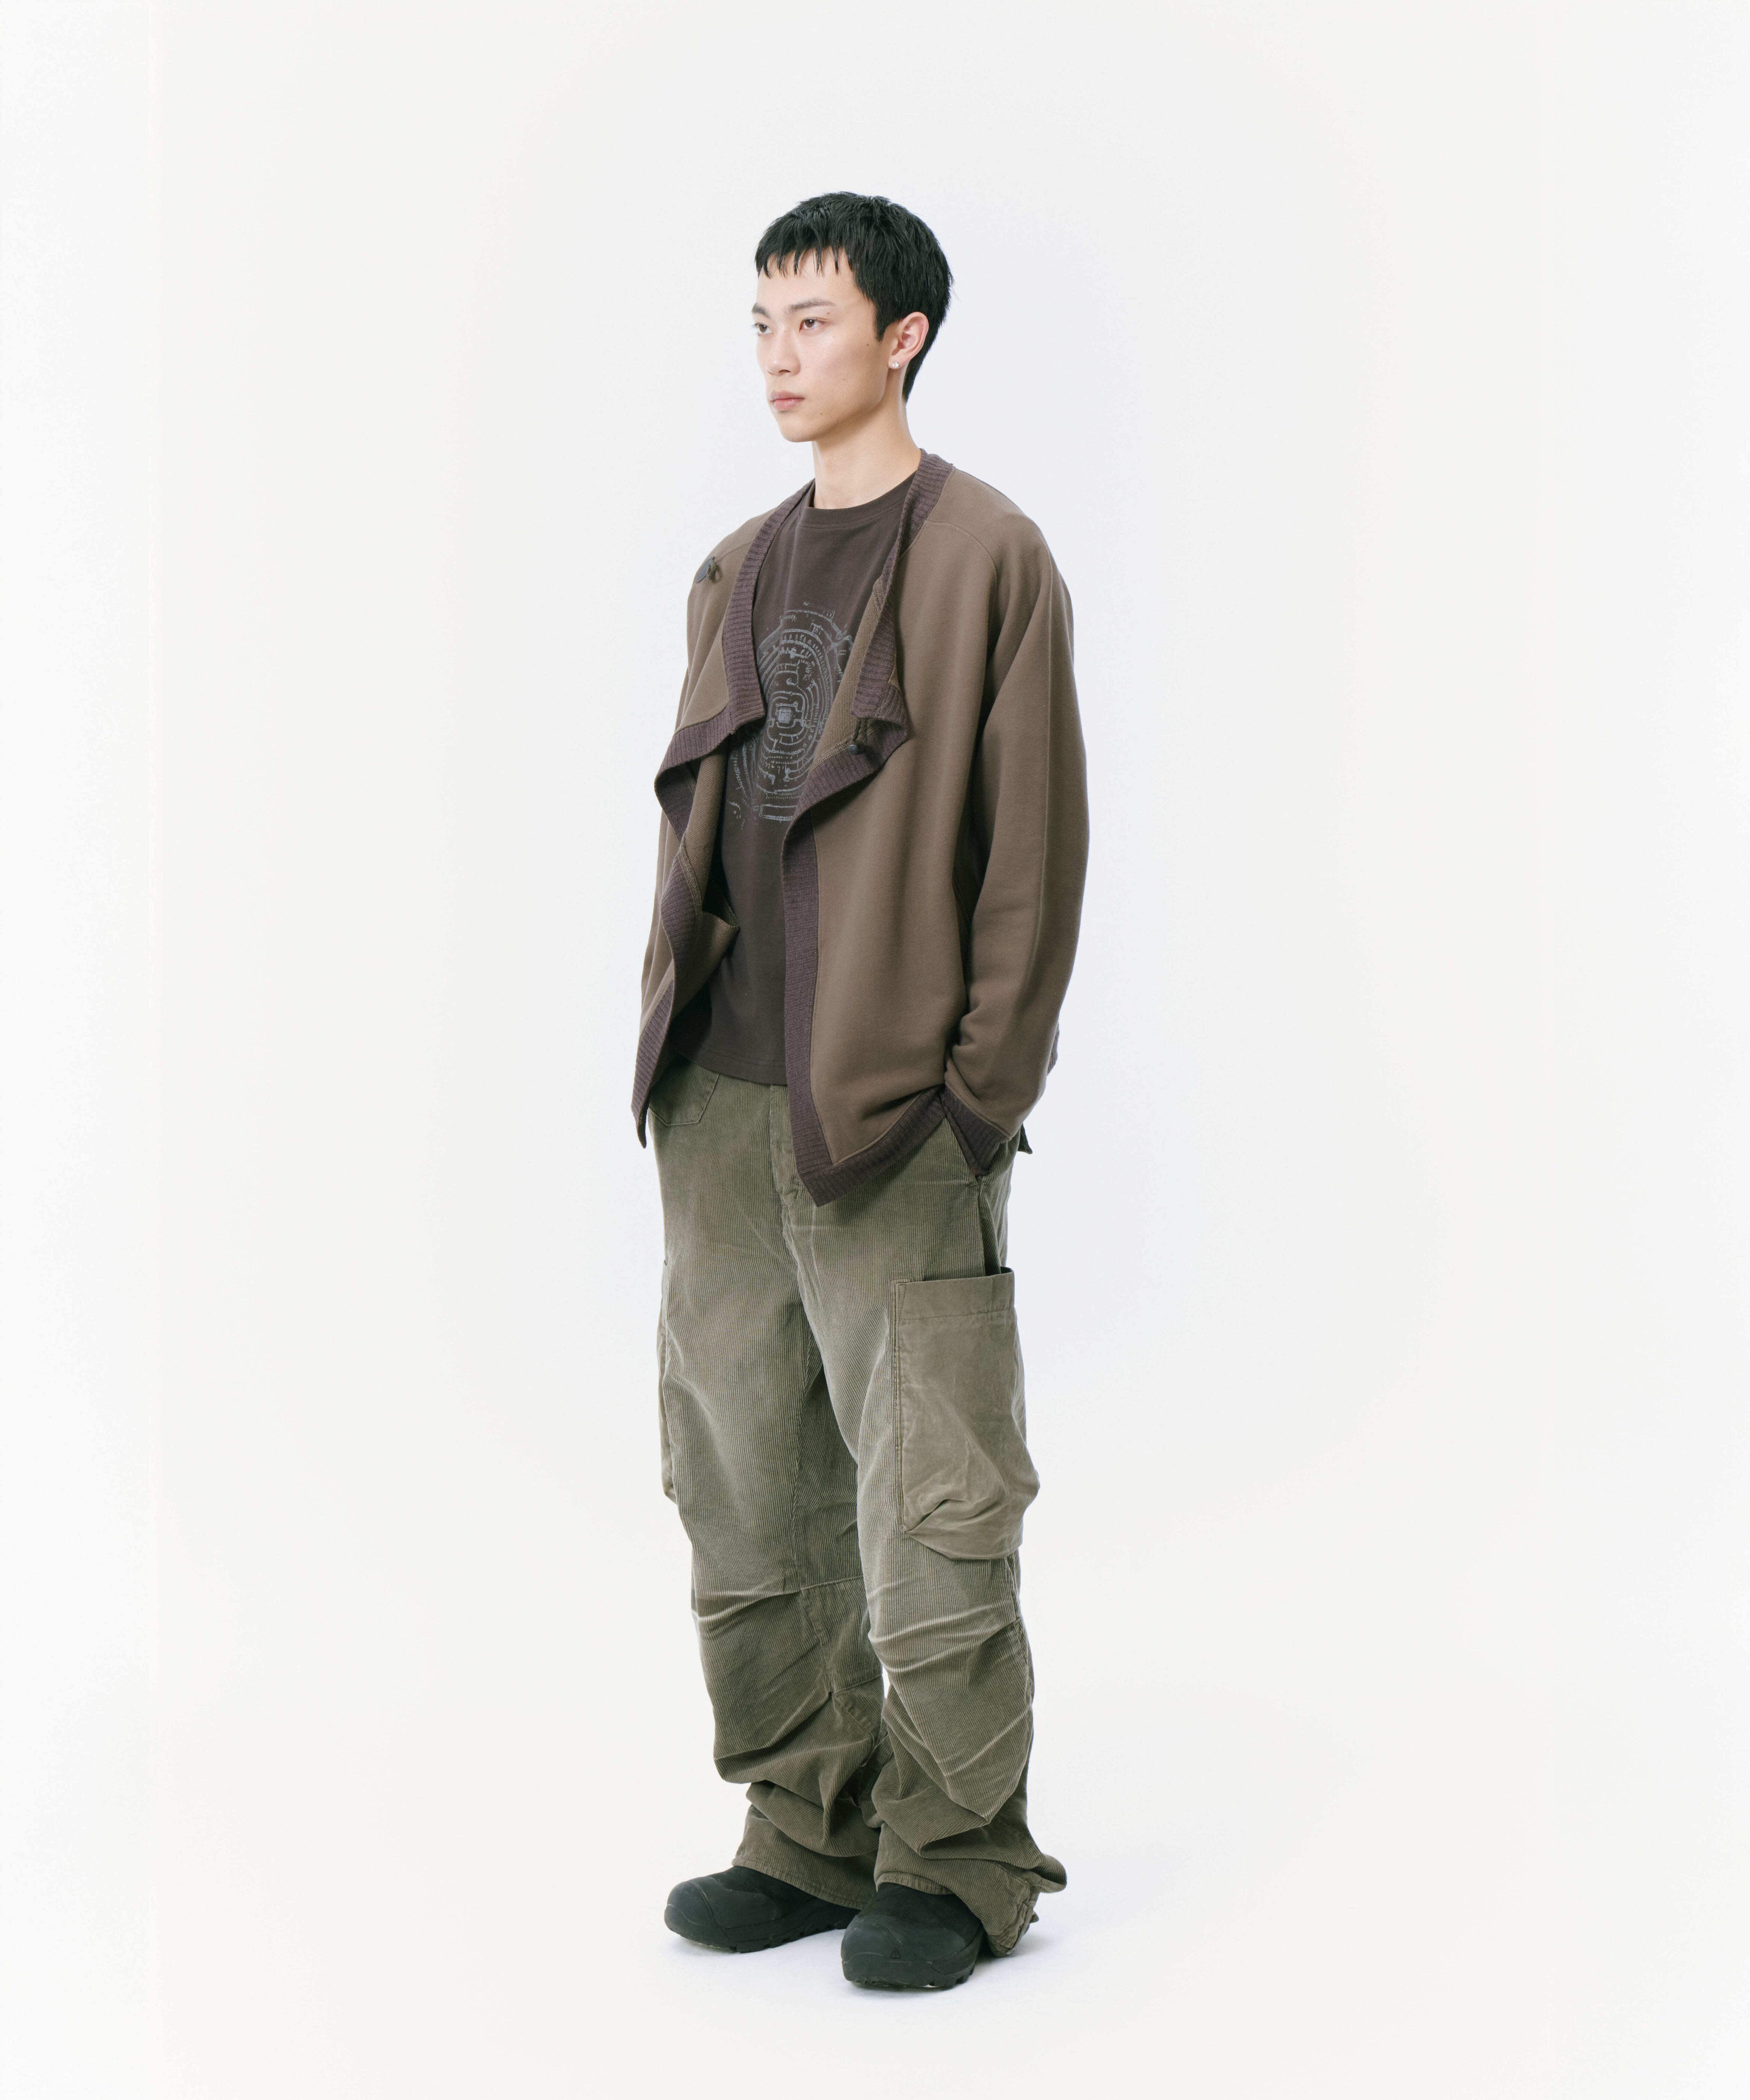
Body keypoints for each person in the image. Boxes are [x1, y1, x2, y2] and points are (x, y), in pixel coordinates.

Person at [633, 191, 1088, 1992]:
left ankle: (957, 1860)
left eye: (810, 322)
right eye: (759, 323)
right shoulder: (734, 566)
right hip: (720, 1104)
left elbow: (1030, 854)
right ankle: (809, 1825)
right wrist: (668, 1060)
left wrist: (976, 1096)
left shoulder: (988, 557)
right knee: (743, 1489)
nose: (776, 357)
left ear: (902, 337)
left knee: (933, 1505)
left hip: (894, 1112)